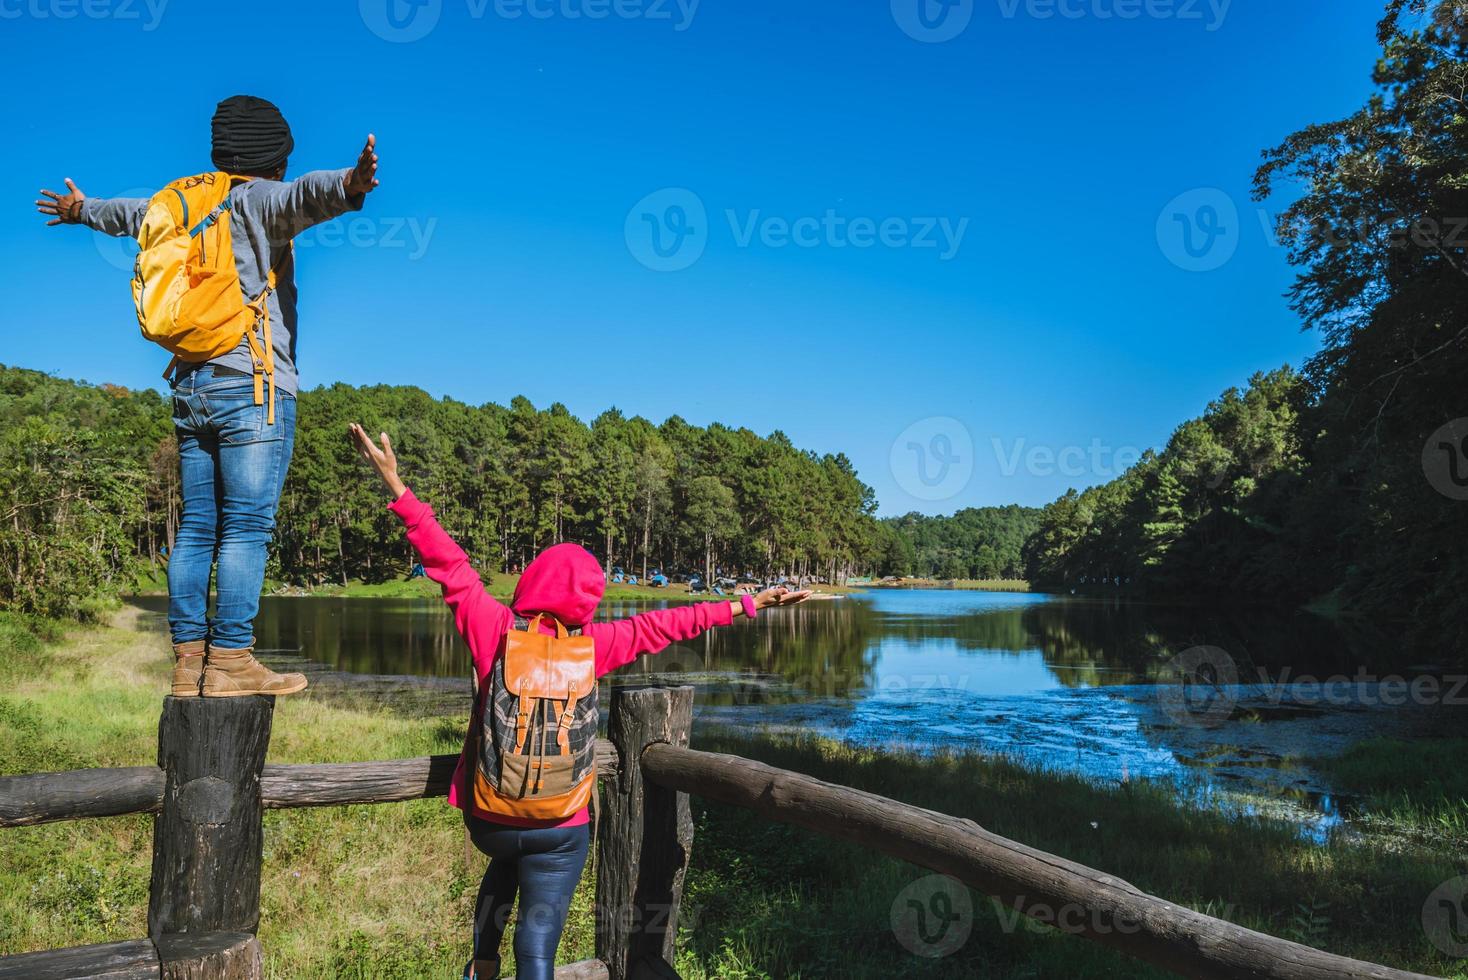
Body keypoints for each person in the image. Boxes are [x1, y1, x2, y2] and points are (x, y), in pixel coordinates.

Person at [348, 423, 810, 980]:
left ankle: (481, 966)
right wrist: (749, 603)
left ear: (534, 582)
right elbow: (670, 623)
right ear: (586, 599)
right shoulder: (597, 647)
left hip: (489, 820)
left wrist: (396, 485)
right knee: (538, 945)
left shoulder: (494, 628)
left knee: (505, 859)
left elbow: (449, 564)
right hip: (561, 824)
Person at [36, 95, 380, 697]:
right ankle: (230, 661)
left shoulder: (182, 200)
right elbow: (307, 195)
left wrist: (80, 209)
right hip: (251, 383)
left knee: (197, 528)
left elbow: (127, 213)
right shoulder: (256, 197)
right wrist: (352, 183)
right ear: (272, 156)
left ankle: (187, 663)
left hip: (189, 384)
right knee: (247, 526)